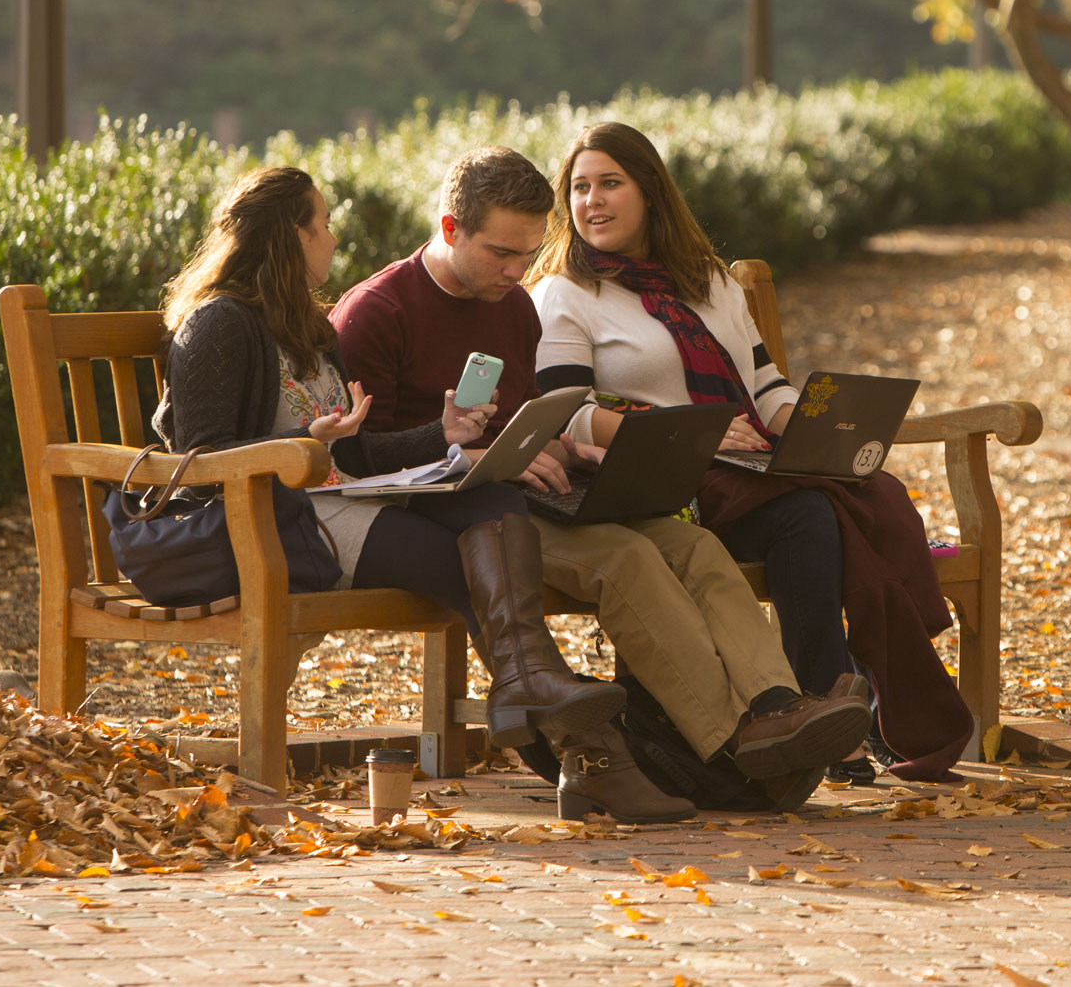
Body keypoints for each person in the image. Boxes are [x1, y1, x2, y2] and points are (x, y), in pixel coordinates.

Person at [331, 147, 871, 816]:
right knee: (626, 559)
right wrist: (461, 457)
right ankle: (731, 744)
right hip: (462, 521)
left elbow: (533, 417)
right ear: (449, 229)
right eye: (502, 253)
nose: (517, 272)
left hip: (540, 495)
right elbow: (347, 464)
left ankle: (776, 706)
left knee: (692, 546)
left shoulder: (511, 308)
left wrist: (576, 448)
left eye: (528, 254)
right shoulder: (376, 313)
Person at [151, 166, 629, 787]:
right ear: (289, 238)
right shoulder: (217, 322)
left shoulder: (307, 325)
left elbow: (355, 454)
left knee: (490, 510)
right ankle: (568, 738)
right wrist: (301, 443)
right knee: (471, 557)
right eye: (322, 226)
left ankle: (543, 711)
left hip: (329, 502)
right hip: (260, 518)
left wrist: (445, 433)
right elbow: (199, 458)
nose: (333, 240)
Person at [525, 122, 973, 783]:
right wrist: (691, 429)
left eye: (610, 184)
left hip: (750, 462)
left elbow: (765, 385)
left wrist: (807, 431)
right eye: (580, 188)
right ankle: (833, 708)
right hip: (665, 476)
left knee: (874, 496)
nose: (592, 201)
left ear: (649, 190)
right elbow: (568, 413)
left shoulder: (706, 280)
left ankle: (840, 706)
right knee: (810, 516)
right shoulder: (565, 293)